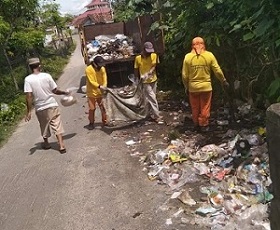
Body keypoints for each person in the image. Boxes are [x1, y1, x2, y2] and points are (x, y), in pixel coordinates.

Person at [182, 37, 229, 132]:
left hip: (193, 88)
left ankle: (196, 124)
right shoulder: (209, 55)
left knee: (195, 107)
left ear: (192, 46)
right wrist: (223, 80)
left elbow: (184, 75)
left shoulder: (188, 57)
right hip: (206, 87)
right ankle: (204, 125)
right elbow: (217, 70)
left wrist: (186, 86)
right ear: (204, 45)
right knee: (205, 106)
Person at [24, 57, 69, 154]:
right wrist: (64, 92)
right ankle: (61, 145)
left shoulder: (28, 79)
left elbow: (29, 96)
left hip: (40, 107)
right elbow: (55, 91)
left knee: (43, 125)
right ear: (39, 65)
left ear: (30, 67)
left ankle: (46, 143)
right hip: (51, 104)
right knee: (57, 124)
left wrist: (28, 112)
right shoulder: (47, 76)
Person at [134, 41, 162, 123]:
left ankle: (149, 114)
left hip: (153, 79)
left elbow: (154, 66)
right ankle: (157, 116)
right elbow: (136, 69)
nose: (149, 53)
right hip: (144, 81)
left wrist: (149, 72)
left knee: (151, 98)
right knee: (152, 98)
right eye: (147, 51)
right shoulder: (138, 58)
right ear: (144, 49)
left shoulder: (154, 55)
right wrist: (136, 79)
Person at [85, 55, 108, 130]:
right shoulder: (88, 69)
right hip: (91, 92)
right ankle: (91, 123)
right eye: (99, 64)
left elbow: (105, 78)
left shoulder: (102, 69)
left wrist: (104, 86)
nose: (101, 66)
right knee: (92, 108)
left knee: (103, 107)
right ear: (95, 63)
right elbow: (91, 81)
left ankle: (105, 122)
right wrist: (99, 86)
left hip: (100, 91)